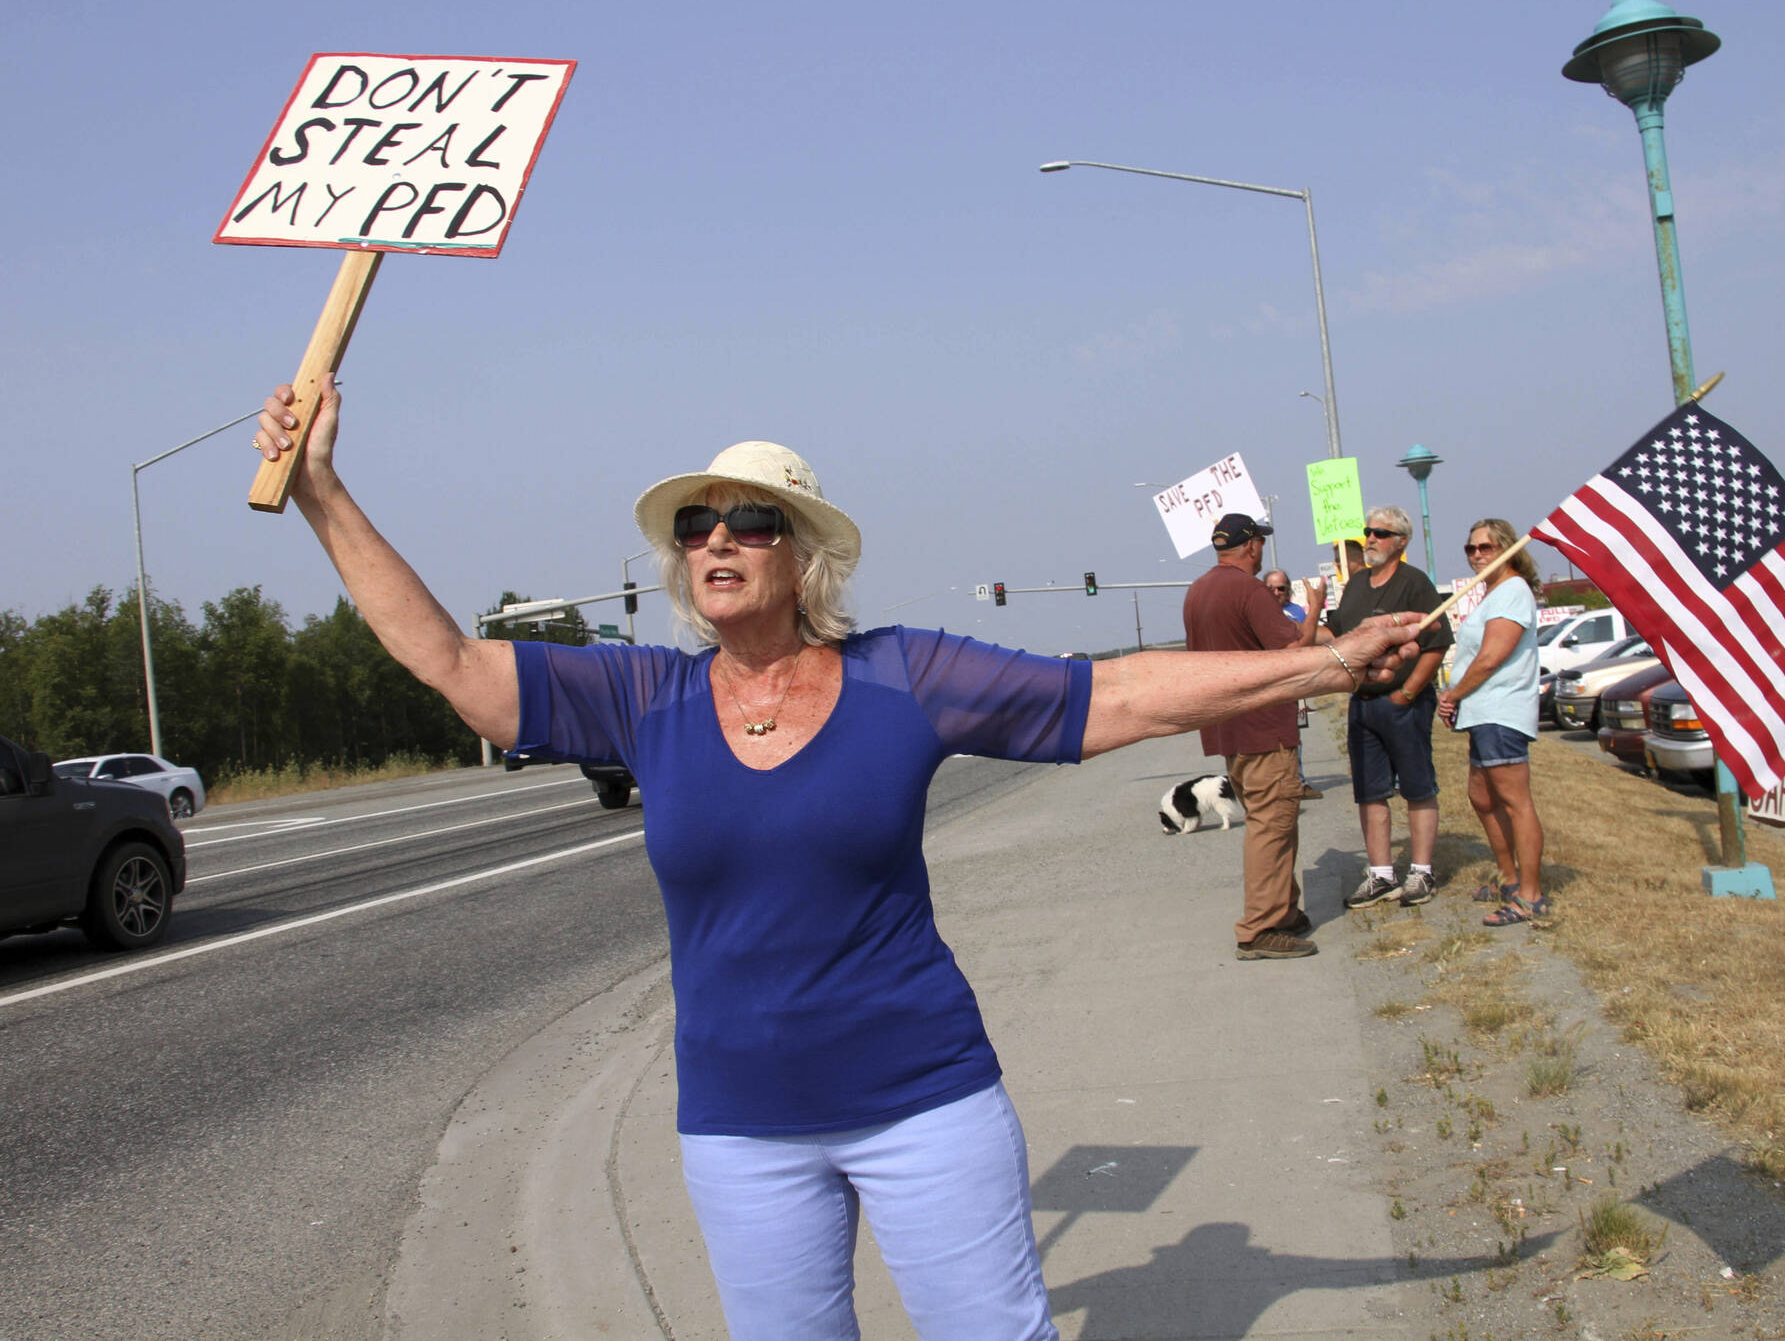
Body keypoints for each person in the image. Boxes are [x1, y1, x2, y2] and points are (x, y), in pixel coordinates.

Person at [251, 378, 1423, 1341]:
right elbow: (452, 661)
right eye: (695, 524)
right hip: (737, 1125)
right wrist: (324, 495)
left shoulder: (900, 675)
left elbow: (1107, 691)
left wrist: (1323, 664)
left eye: (748, 519)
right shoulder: (643, 697)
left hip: (921, 1101)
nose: (717, 539)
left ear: (801, 554)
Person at [1183, 515, 1328, 959]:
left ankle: (1283, 911)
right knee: (1270, 826)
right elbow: (1292, 652)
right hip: (1264, 726)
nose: (1262, 549)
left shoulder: (1198, 591)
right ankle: (1259, 929)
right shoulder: (1249, 590)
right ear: (1251, 548)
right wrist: (1316, 608)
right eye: (1260, 542)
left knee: (1275, 821)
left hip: (1228, 727)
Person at [1317, 506, 1452, 909]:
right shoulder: (1357, 584)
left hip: (1403, 704)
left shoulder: (1415, 584)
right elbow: (1338, 633)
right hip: (1362, 703)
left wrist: (1407, 692)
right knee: (1370, 792)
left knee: (1417, 786)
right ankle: (1380, 876)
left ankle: (1421, 873)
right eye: (1367, 533)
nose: (1370, 539)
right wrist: (1299, 627)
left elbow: (1437, 641)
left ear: (1401, 541)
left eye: (1379, 533)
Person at [1437, 520, 1549, 926]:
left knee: (1515, 802)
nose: (1477, 554)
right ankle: (1509, 878)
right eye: (1471, 548)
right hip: (1481, 713)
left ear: (1508, 549)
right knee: (1482, 798)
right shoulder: (1491, 593)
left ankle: (1530, 896)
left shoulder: (1514, 591)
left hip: (1502, 712)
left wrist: (1452, 694)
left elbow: (1491, 657)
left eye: (1486, 547)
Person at [1263, 569, 1327, 801]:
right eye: (1271, 588)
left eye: (1282, 588)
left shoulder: (1296, 612)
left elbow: (1308, 643)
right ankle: (1273, 786)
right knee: (1267, 739)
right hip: (1267, 683)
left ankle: (1298, 781)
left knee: (1293, 736)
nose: (1277, 592)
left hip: (1294, 683)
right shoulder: (1258, 613)